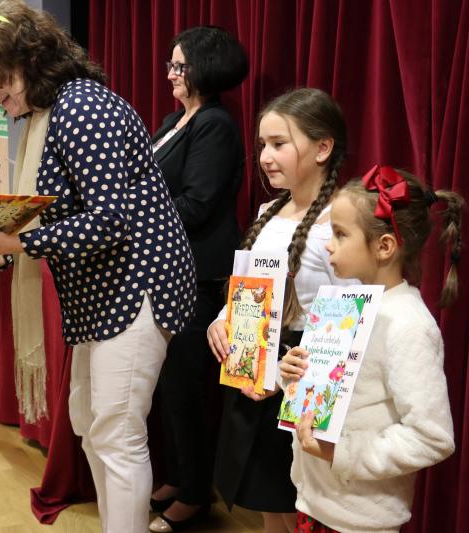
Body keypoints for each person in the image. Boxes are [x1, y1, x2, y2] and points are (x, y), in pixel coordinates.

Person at [0, 2, 197, 532]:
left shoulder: (83, 107)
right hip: (101, 290)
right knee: (90, 424)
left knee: (116, 433)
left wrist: (19, 241)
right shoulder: (57, 110)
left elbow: (110, 220)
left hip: (135, 284)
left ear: (30, 60)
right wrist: (6, 241)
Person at [279, 166, 459, 533]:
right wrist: (293, 377)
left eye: (341, 234)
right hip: (313, 501)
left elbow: (431, 438)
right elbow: (335, 393)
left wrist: (342, 452)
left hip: (360, 520)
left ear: (384, 246)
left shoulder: (409, 324)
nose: (329, 245)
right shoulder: (342, 305)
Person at [206, 88, 353, 533]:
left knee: (302, 509)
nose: (266, 157)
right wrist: (223, 321)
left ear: (323, 148)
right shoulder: (270, 210)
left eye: (279, 144)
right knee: (270, 506)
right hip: (256, 371)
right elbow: (253, 288)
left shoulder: (340, 221)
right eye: (262, 145)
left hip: (306, 372)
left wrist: (288, 379)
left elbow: (347, 322)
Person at [148, 25, 247, 533]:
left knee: (188, 388)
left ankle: (194, 493)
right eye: (171, 64)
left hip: (199, 274)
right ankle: (177, 476)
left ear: (205, 68)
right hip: (166, 270)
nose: (170, 73)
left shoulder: (214, 125)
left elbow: (197, 204)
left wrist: (133, 219)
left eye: (179, 65)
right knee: (167, 386)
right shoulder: (174, 120)